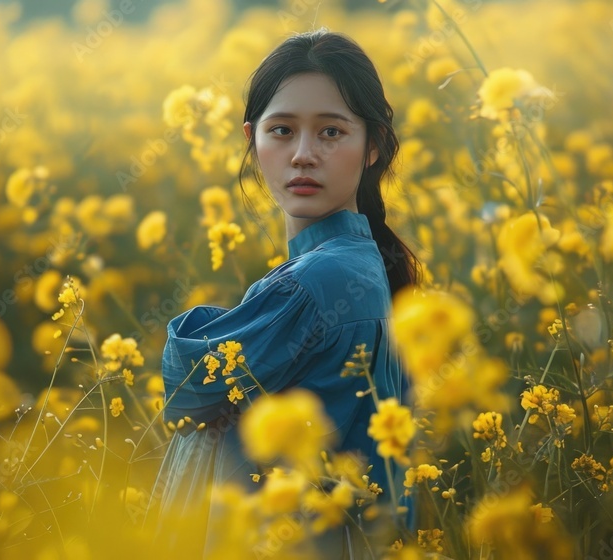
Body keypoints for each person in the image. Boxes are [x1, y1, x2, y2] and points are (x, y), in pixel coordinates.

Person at [144, 28, 421, 558]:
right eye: (282, 130)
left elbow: (188, 391)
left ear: (374, 146)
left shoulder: (317, 281)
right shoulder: (365, 266)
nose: (302, 155)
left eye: (332, 132)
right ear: (253, 140)